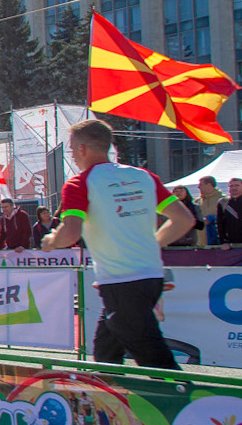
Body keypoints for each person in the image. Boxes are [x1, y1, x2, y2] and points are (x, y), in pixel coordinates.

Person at [46, 117, 195, 368]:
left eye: (72, 149)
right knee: (105, 353)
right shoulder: (144, 176)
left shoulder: (79, 184)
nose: (71, 155)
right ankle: (109, 399)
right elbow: (183, 220)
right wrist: (150, 245)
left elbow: (70, 233)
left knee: (156, 360)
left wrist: (50, 241)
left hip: (121, 282)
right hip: (150, 277)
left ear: (83, 149)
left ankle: (188, 402)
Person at [195, 175, 223, 245]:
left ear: (209, 185)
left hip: (218, 239)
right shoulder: (197, 201)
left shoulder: (223, 200)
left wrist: (210, 219)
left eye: (201, 184)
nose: (198, 187)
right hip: (201, 241)